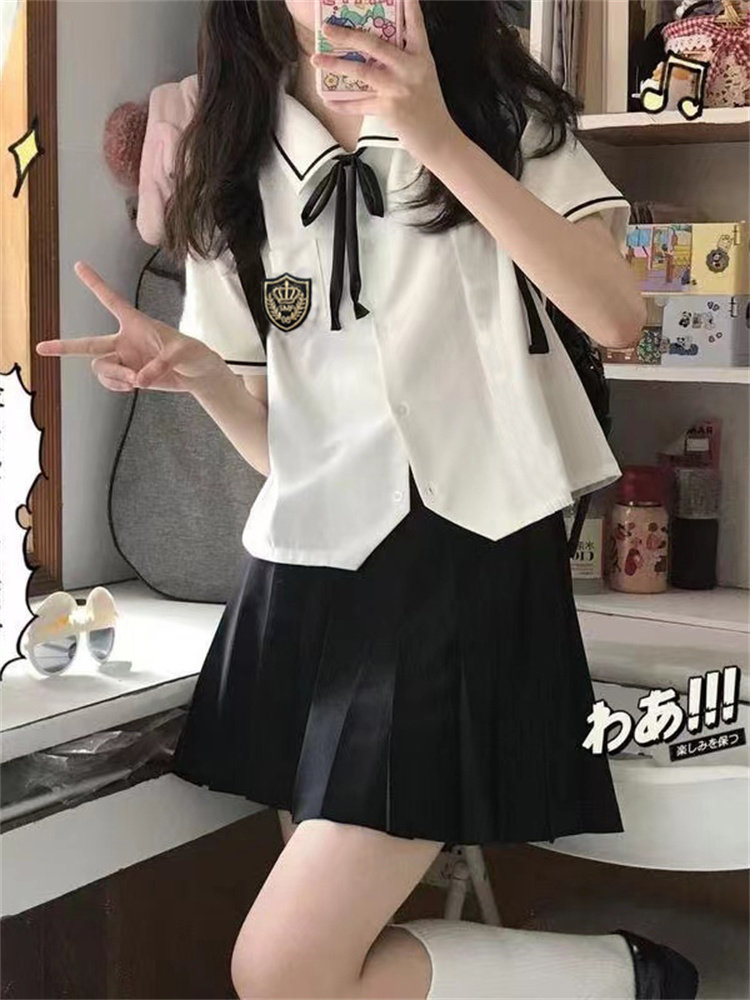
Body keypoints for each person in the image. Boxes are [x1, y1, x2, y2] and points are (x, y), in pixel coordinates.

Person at [37, 2, 700, 997]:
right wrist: (201, 375)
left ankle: (632, 975)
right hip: (308, 577)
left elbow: (615, 312)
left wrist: (435, 135)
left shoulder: (492, 103)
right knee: (319, 961)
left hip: (467, 557)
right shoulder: (233, 149)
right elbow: (283, 451)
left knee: (284, 970)